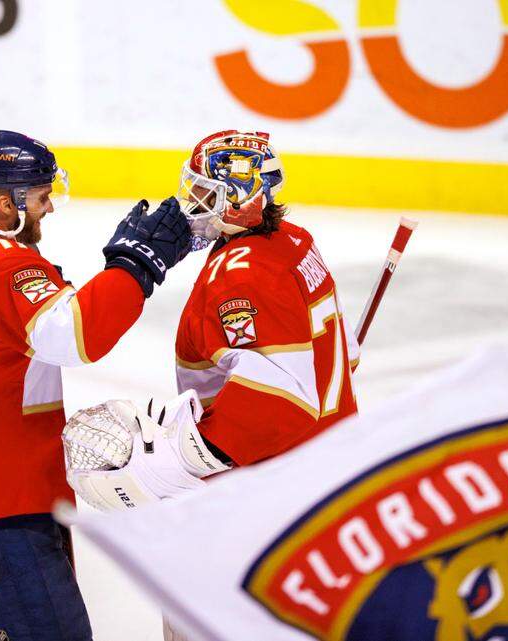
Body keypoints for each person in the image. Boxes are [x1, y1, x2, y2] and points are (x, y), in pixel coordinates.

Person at [0, 129, 192, 640]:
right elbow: (73, 336)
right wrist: (135, 265)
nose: (49, 208)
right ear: (4, 204)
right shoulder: (4, 268)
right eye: (40, 196)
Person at [63, 130, 360, 641]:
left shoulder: (242, 273)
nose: (190, 205)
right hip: (320, 475)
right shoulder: (292, 242)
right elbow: (339, 352)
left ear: (240, 199)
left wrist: (175, 462)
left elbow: (275, 405)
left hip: (262, 498)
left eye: (204, 193)